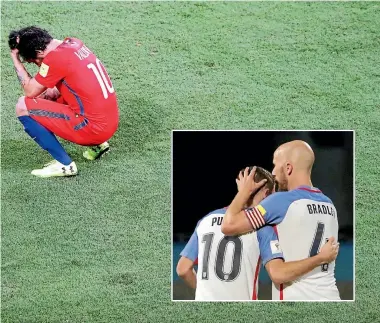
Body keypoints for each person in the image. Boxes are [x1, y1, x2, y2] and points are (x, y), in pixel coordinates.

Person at [176, 166, 338, 301]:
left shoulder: (205, 220)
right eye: (273, 193)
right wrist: (320, 258)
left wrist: (207, 293)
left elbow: (183, 269)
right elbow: (278, 273)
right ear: (267, 193)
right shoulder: (262, 227)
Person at [222, 141, 341, 300]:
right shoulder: (329, 204)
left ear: (288, 168)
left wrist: (244, 192)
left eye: (275, 165)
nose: (273, 173)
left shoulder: (280, 201)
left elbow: (229, 226)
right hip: (332, 298)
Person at [8, 26, 119, 177]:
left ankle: (65, 165)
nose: (37, 64)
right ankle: (99, 146)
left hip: (93, 129)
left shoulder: (56, 58)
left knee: (23, 106)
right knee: (50, 93)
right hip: (108, 122)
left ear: (40, 52)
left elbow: (29, 91)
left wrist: (15, 57)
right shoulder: (74, 43)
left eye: (34, 60)